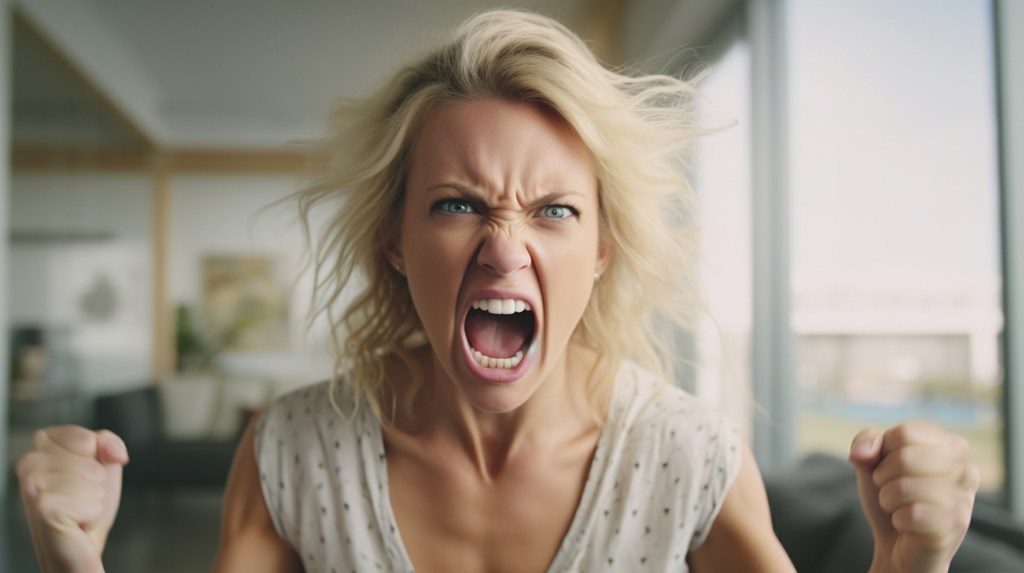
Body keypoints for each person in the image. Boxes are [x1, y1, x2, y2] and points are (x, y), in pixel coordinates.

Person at [17, 9, 978, 573]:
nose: (504, 248)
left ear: (602, 249)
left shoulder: (685, 457)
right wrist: (76, 563)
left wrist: (911, 565)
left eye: (554, 212)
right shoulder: (292, 452)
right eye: (457, 204)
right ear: (395, 240)